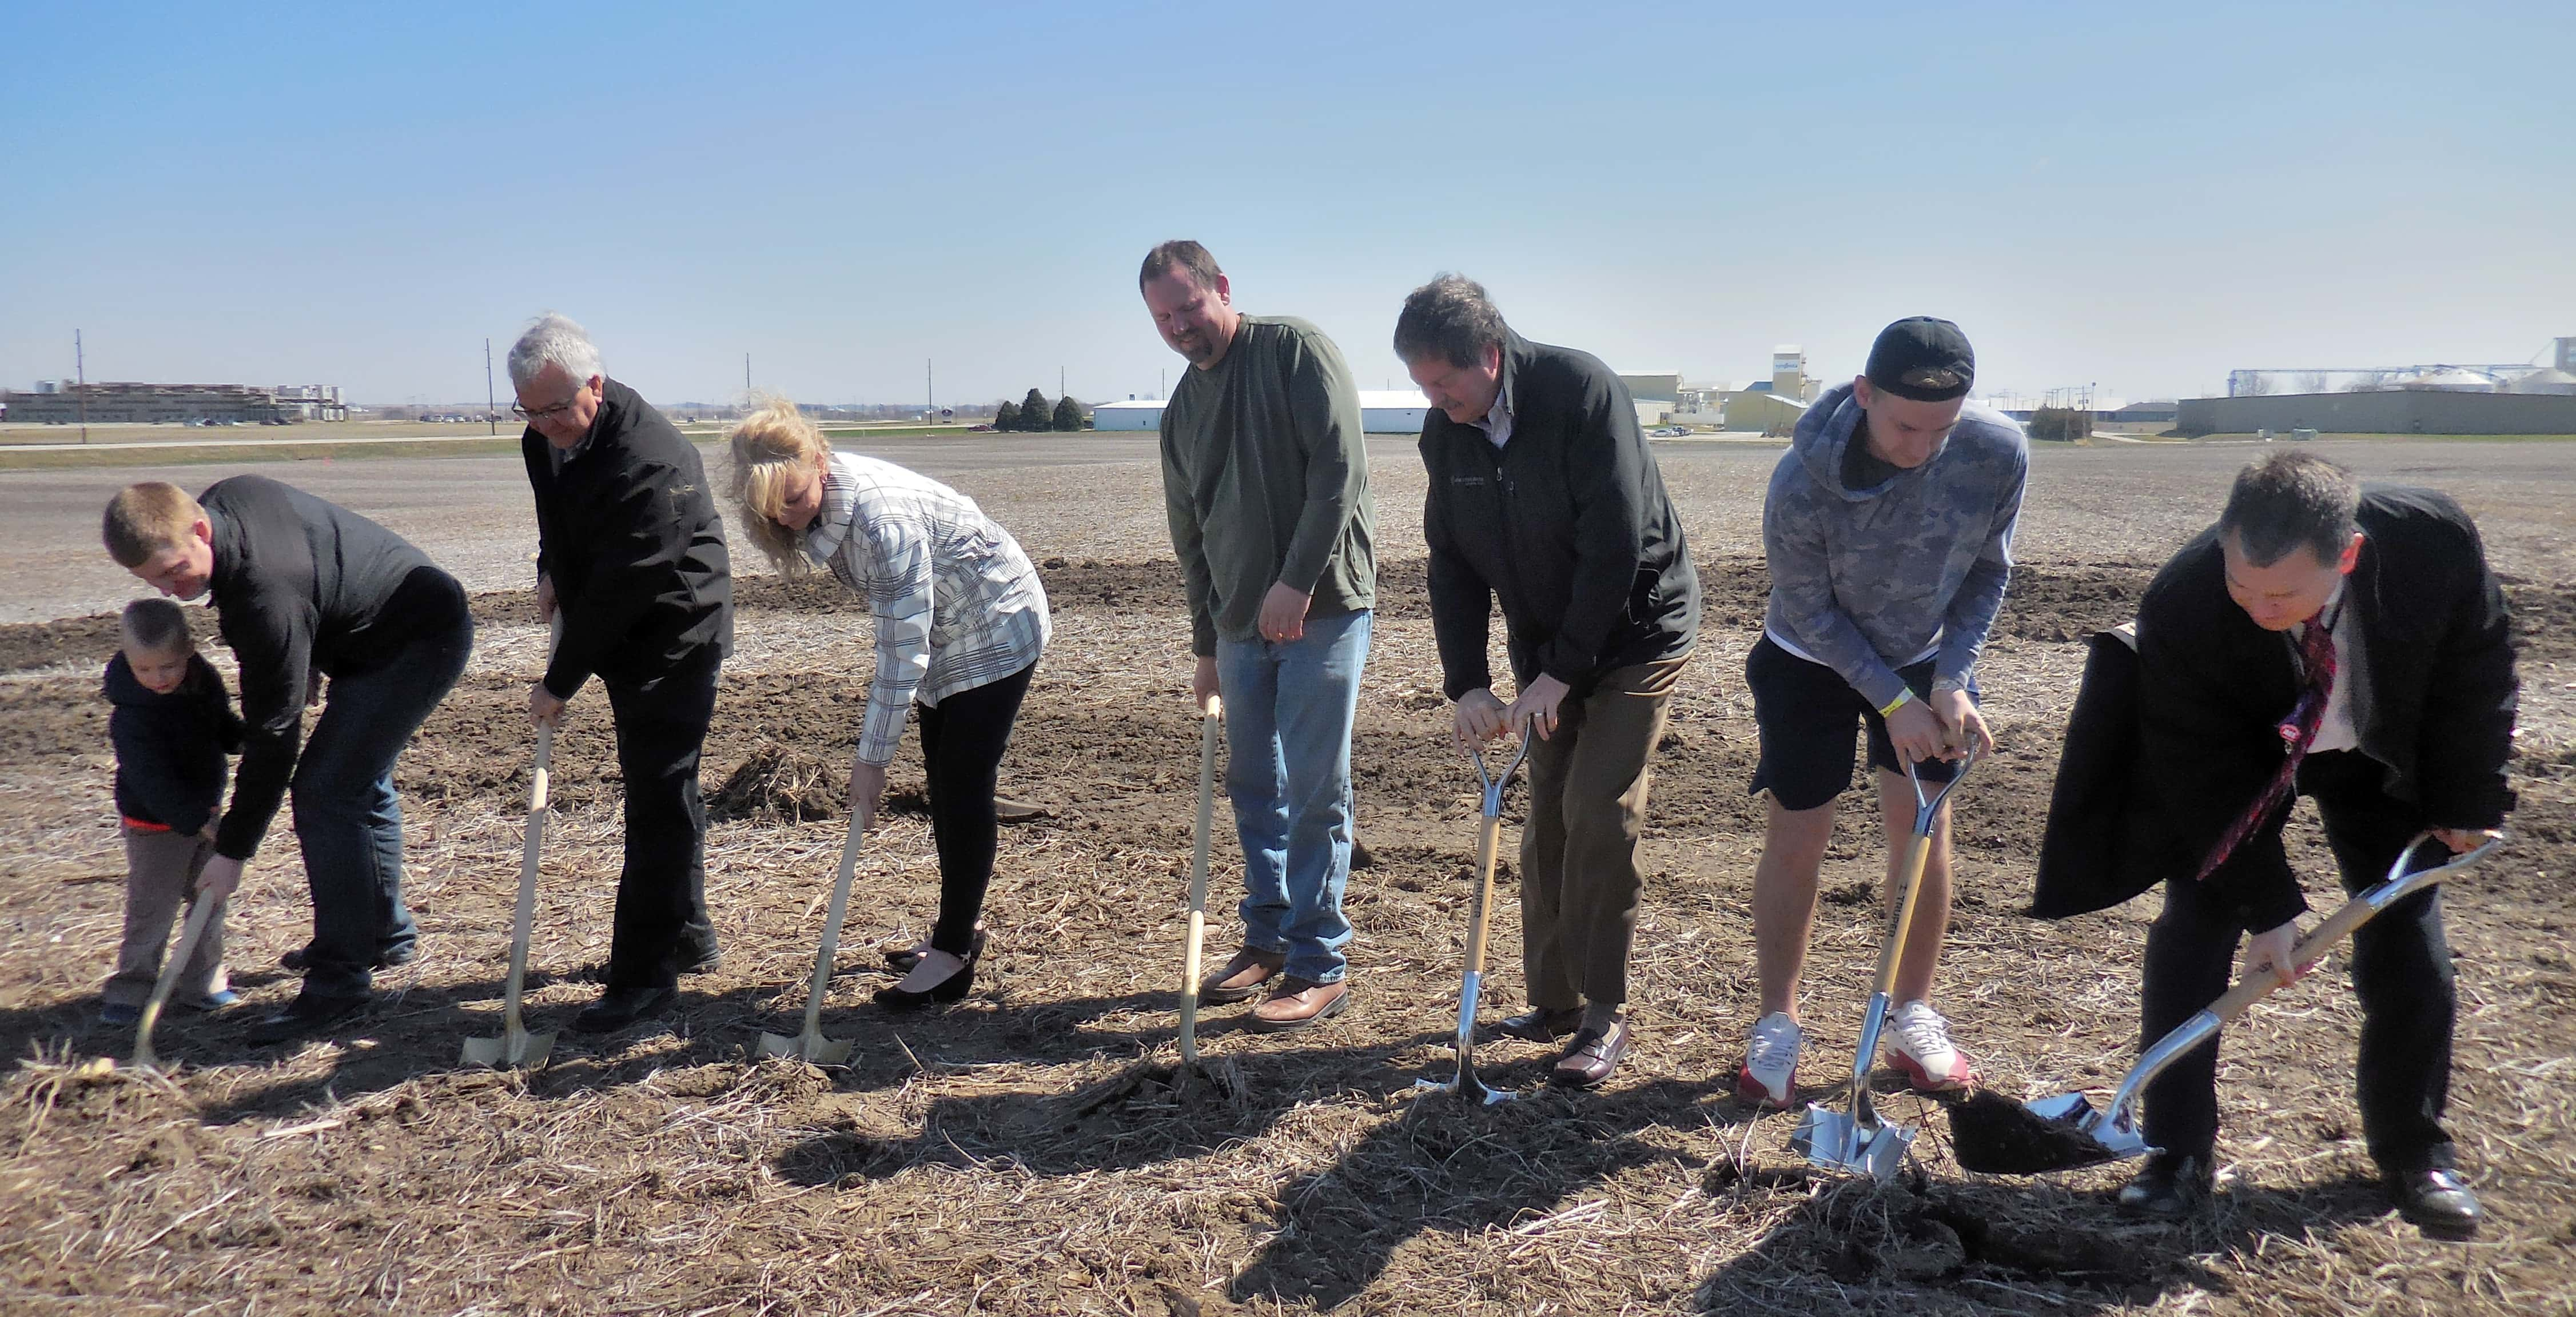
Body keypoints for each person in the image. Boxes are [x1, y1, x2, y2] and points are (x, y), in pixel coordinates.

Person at [2052, 452, 2515, 1238]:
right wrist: (2268, 909)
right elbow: (2198, 771)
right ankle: (2173, 1152)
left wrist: (2468, 796)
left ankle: (2415, 1151)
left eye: (2283, 593)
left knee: (2402, 931)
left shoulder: (2431, 544)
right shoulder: (2188, 602)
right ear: (2225, 541)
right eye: (2243, 585)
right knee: (2195, 928)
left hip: (2372, 745)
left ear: (2348, 555)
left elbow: (2475, 665)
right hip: (2242, 751)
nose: (2259, 606)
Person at [1399, 274, 1700, 1089]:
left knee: (1596, 808)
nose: (1435, 399)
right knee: (1546, 815)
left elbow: (1616, 546)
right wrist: (1467, 682)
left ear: (1489, 358)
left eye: (1443, 381)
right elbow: (1452, 563)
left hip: (1637, 631)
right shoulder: (1447, 433)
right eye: (1421, 384)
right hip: (1545, 641)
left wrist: (1560, 675)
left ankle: (1606, 1011)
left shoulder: (1580, 394)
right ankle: (1555, 1003)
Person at [1735, 317, 2026, 1107]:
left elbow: (1988, 574)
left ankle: (1909, 1015)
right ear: (1863, 394)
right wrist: (1892, 701)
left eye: (1942, 428)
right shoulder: (1801, 482)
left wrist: (1952, 680)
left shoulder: (1997, 451)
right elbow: (1809, 608)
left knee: (1923, 826)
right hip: (1809, 659)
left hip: (1925, 658)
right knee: (1800, 830)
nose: (1923, 446)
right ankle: (1778, 1025)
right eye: (1904, 425)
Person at [102, 477, 473, 1045]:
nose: (171, 592)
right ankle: (380, 937)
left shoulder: (263, 594)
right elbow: (311, 575)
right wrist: (304, 651)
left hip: (416, 640)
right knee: (354, 781)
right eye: (151, 579)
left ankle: (339, 986)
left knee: (326, 791)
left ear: (201, 529)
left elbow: (273, 738)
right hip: (374, 629)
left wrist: (233, 849)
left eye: (174, 570)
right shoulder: (230, 503)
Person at [726, 399, 1049, 1010]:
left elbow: (901, 651)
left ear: (819, 462)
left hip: (996, 622)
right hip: (943, 626)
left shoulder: (880, 523)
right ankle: (958, 929)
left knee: (962, 783)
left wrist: (870, 762)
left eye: (794, 500)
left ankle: (953, 956)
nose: (790, 521)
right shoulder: (820, 504)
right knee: (944, 782)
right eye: (773, 511)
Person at [1141, 240, 1376, 1031]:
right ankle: (1267, 937)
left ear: (1222, 290)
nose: (1179, 327)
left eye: (1189, 307)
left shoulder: (1294, 353)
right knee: (1253, 787)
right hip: (1239, 628)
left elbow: (1337, 471)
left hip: (1323, 611)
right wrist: (1206, 644)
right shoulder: (1180, 414)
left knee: (1315, 791)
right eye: (1163, 316)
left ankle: (1320, 964)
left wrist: (1296, 580)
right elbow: (1191, 535)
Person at [509, 313, 734, 1033]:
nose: (543, 424)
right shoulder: (543, 440)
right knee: (666, 789)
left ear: (595, 386)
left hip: (674, 632)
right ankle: (689, 933)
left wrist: (559, 682)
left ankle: (643, 977)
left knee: (657, 795)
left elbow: (625, 585)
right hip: (616, 615)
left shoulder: (651, 458)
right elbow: (559, 518)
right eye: (529, 410)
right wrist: (549, 568)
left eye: (555, 408)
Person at [97, 598, 243, 1027]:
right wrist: (198, 820)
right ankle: (131, 990)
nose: (157, 679)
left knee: (209, 900)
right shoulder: (131, 717)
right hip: (154, 824)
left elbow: (221, 725)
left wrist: (247, 739)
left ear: (189, 652)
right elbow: (151, 781)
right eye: (144, 669)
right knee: (152, 908)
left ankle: (203, 982)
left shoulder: (202, 681)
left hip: (205, 813)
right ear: (127, 659)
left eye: (168, 667)